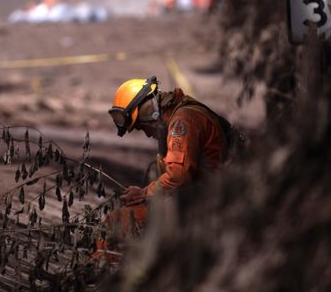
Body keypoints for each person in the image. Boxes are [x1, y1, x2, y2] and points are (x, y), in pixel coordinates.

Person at [101, 76, 240, 246]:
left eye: (141, 126)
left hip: (205, 202)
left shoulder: (183, 121)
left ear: (147, 110)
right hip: (204, 196)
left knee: (115, 223)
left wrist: (144, 193)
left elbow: (178, 176)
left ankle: (104, 267)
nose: (145, 133)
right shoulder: (182, 113)